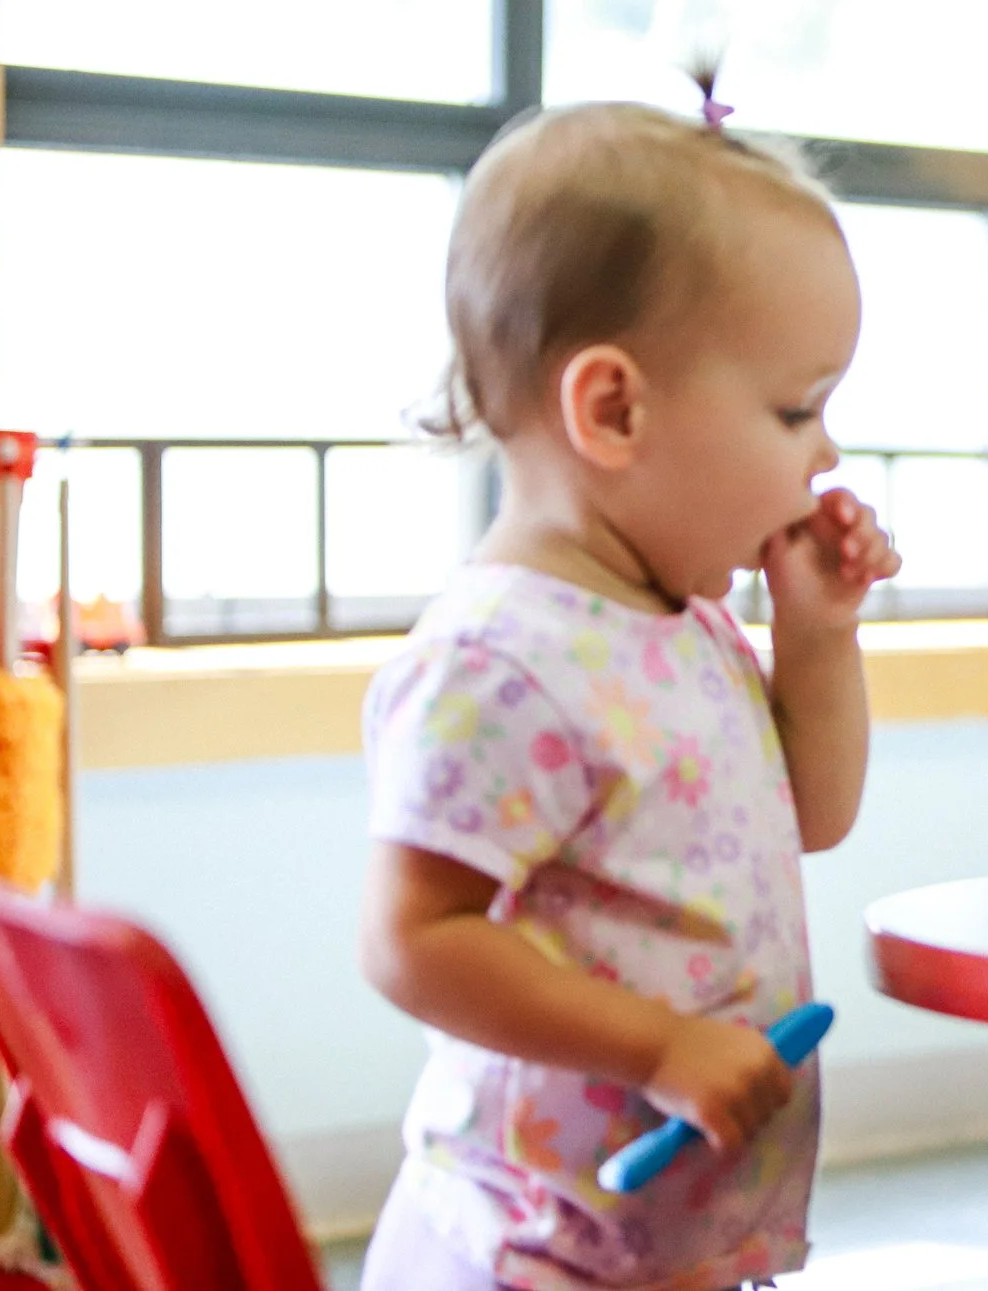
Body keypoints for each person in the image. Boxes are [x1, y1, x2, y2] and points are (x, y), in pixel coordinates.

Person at [353, 101, 900, 1291]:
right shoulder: (502, 660)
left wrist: (815, 634)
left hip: (661, 1241)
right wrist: (658, 1045)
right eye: (796, 408)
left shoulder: (682, 621)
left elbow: (811, 811)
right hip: (528, 1247)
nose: (826, 455)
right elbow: (410, 938)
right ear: (612, 409)